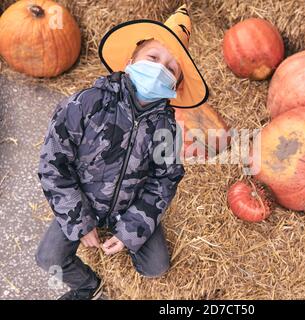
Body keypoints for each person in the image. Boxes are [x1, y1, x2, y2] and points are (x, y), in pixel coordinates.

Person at [35, 5, 209, 300]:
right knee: (48, 258)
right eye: (153, 58)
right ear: (131, 61)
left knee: (156, 267)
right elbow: (53, 164)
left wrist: (131, 230)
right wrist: (79, 221)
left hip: (129, 206)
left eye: (170, 68)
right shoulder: (86, 103)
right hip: (84, 200)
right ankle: (88, 285)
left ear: (174, 87)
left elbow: (164, 181)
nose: (159, 70)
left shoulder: (167, 128)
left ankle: (126, 235)